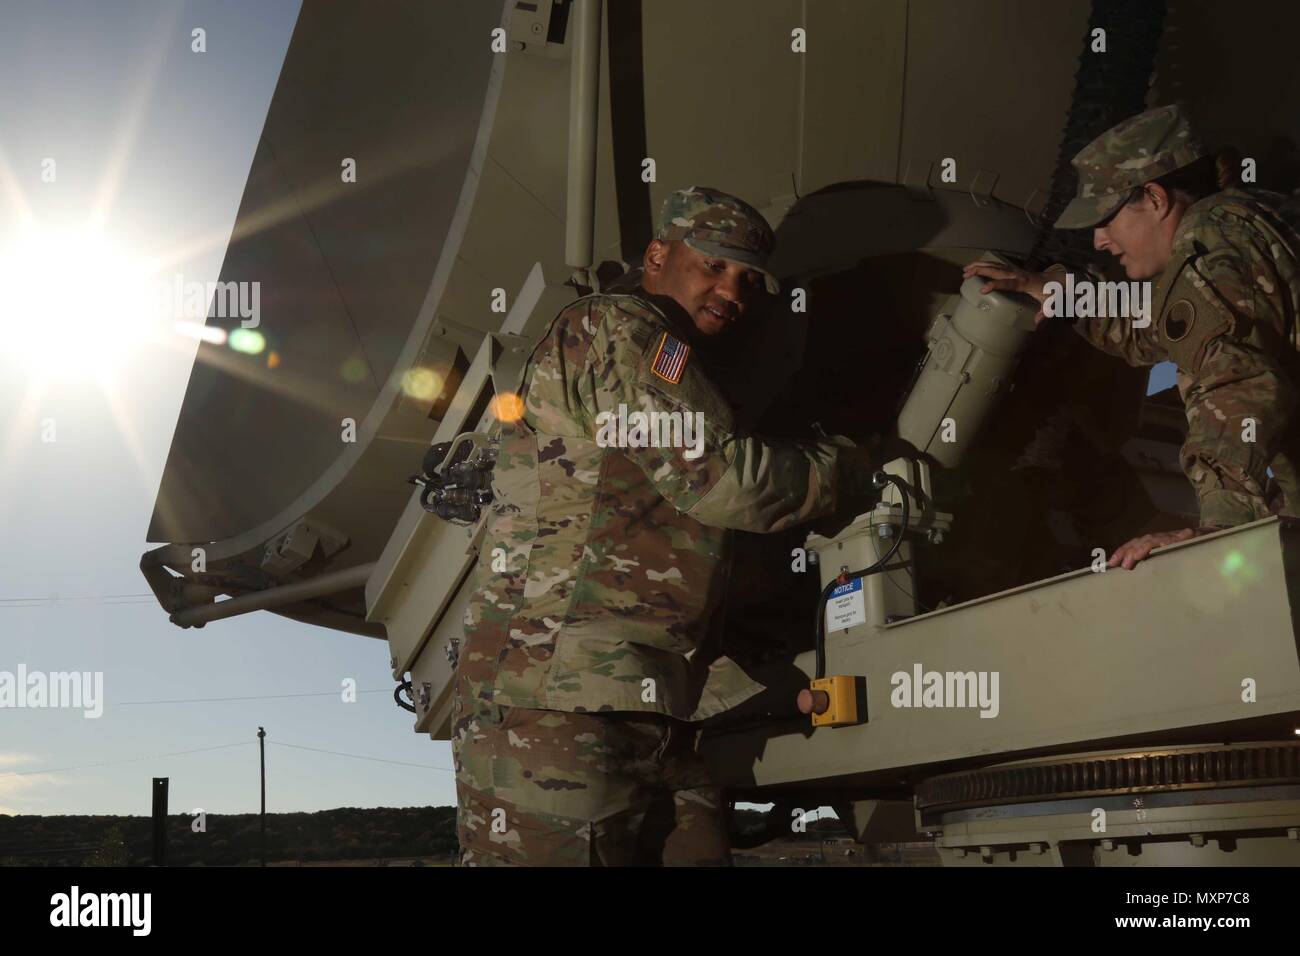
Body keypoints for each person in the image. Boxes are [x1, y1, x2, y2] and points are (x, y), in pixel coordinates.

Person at [451, 186, 881, 865]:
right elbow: (718, 479)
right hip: (561, 706)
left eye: (744, 278)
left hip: (638, 702)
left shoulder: (674, 357)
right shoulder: (622, 330)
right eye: (711, 265)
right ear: (657, 255)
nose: (730, 291)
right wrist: (851, 470)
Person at [964, 104, 1300, 569]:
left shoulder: (1205, 239)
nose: (1100, 240)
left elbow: (1236, 380)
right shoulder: (1253, 219)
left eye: (1106, 219)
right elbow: (1160, 327)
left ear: (1156, 198)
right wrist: (1065, 293)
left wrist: (1223, 528)